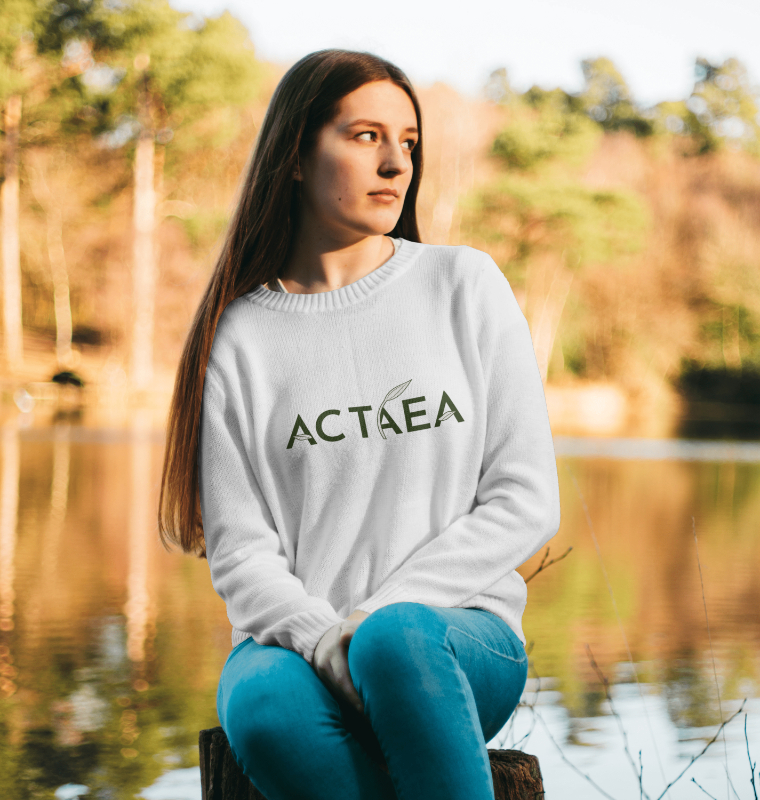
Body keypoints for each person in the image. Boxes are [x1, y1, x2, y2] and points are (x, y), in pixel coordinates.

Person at [158, 48, 561, 800]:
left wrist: (370, 622)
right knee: (265, 707)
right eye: (366, 136)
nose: (395, 164)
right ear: (296, 158)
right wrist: (323, 638)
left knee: (397, 641)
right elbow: (243, 554)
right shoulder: (240, 335)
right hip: (294, 649)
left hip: (461, 643)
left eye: (407, 142)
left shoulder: (462, 285)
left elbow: (525, 498)